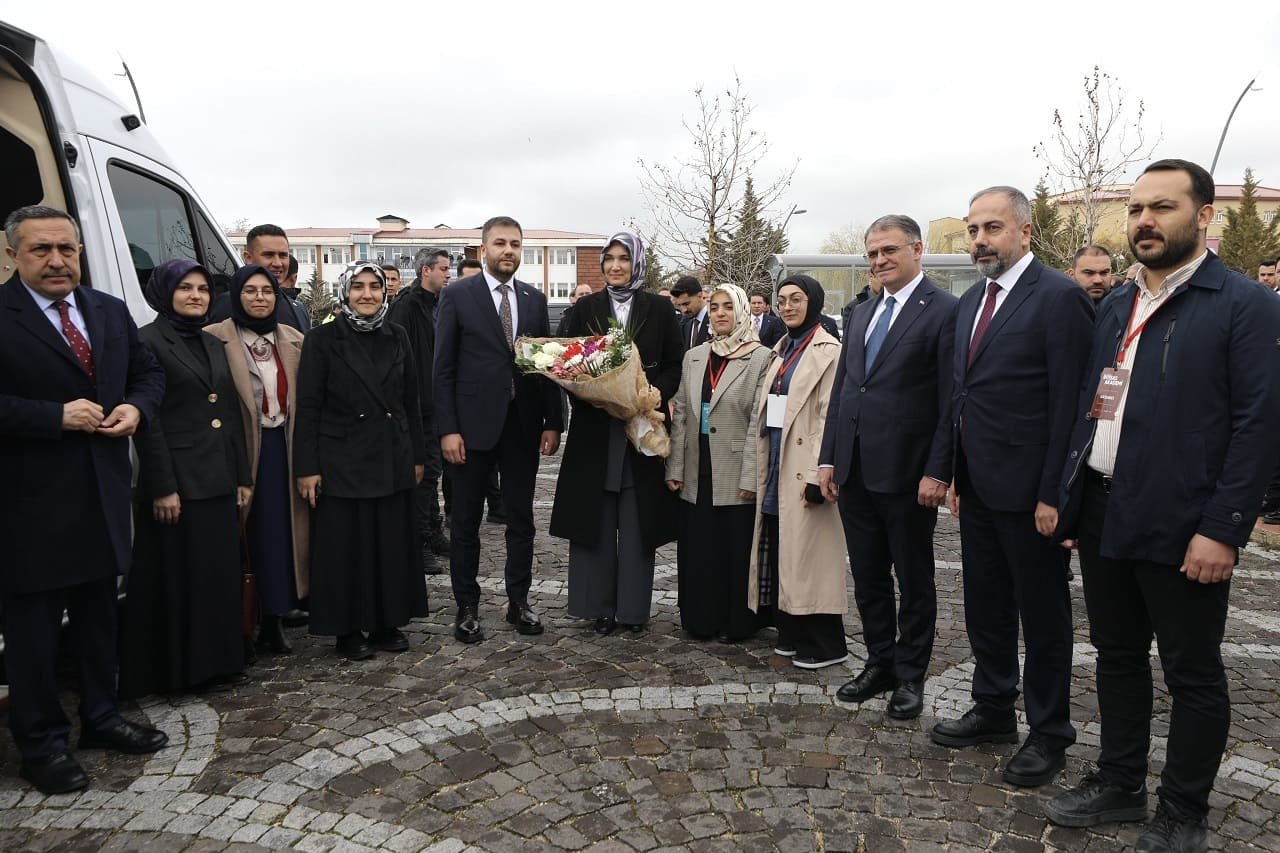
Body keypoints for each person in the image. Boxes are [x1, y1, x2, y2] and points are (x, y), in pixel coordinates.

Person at [1045, 159, 1280, 851]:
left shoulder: (1246, 304)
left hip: (1185, 523)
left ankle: (1183, 811)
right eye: (1137, 209)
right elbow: (1094, 405)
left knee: (1192, 671)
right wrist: (1071, 502)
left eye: (1163, 207)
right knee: (1116, 655)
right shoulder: (1116, 303)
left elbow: (1259, 426)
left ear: (1204, 216)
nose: (1145, 221)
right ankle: (1121, 782)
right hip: (1104, 508)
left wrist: (1223, 528)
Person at [0, 205, 168, 794]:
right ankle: (41, 745)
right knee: (34, 635)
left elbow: (148, 375)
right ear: (12, 255)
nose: (56, 261)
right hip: (29, 508)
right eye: (41, 249)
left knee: (100, 619)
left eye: (66, 249)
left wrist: (136, 409)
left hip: (102, 496)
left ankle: (101, 717)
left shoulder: (107, 310)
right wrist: (53, 417)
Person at [931, 186, 1094, 788]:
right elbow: (959, 394)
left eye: (992, 228)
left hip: (1032, 496)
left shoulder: (1059, 297)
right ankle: (994, 707)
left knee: (1043, 617)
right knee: (986, 606)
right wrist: (952, 471)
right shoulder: (971, 301)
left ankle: (1049, 732)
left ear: (1025, 231)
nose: (979, 240)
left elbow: (1072, 403)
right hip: (977, 487)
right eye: (973, 229)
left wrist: (1057, 494)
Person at [818, 215, 958, 720]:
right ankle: (880, 662)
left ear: (917, 250)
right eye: (873, 253)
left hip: (907, 473)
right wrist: (829, 456)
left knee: (914, 579)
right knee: (869, 575)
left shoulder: (945, 310)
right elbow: (844, 389)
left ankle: (911, 675)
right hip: (855, 469)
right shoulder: (861, 312)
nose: (879, 261)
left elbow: (951, 398)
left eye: (889, 250)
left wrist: (939, 470)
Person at [119, 259, 254, 698]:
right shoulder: (147, 341)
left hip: (217, 478)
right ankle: (180, 672)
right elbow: (149, 420)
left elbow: (228, 411)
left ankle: (219, 662)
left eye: (202, 289)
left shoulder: (212, 342)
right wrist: (163, 486)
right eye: (185, 288)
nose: (195, 296)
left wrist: (241, 475)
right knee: (179, 580)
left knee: (216, 576)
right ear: (165, 292)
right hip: (177, 483)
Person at [434, 216, 564, 643]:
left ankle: (518, 602)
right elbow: (443, 368)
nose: (508, 250)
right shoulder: (457, 295)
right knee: (466, 521)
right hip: (470, 430)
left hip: (522, 426)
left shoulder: (533, 299)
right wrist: (448, 429)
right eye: (500, 243)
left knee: (521, 519)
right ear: (483, 249)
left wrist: (553, 421)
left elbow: (545, 365)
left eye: (515, 244)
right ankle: (467, 607)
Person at [294, 263, 429, 660]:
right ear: (345, 292)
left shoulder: (397, 335)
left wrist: (417, 455)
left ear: (385, 292)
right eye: (358, 287)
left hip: (391, 454)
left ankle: (388, 621)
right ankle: (347, 628)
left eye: (374, 286)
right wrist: (307, 467)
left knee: (389, 543)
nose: (367, 294)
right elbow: (308, 406)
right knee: (346, 548)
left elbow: (411, 402)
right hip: (341, 459)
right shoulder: (321, 339)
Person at [550, 232, 682, 635]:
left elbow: (674, 364)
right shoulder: (585, 308)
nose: (615, 266)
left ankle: (632, 611)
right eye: (609, 258)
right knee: (597, 520)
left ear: (636, 263)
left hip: (642, 430)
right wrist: (592, 397)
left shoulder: (659, 309)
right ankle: (599, 608)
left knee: (637, 520)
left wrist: (652, 394)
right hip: (595, 431)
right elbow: (567, 363)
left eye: (623, 258)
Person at [206, 265, 310, 656]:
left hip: (283, 447)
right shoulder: (215, 338)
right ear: (236, 295)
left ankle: (274, 618)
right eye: (250, 291)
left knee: (279, 534)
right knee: (243, 535)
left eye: (267, 291)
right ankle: (240, 622)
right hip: (240, 449)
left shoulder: (293, 339)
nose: (260, 298)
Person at [748, 275, 849, 669]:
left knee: (810, 558)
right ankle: (789, 632)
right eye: (782, 300)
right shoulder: (781, 349)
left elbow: (828, 415)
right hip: (777, 460)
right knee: (783, 551)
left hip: (806, 465)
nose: (787, 306)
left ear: (814, 303)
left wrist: (817, 471)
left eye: (796, 299)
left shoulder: (829, 350)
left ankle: (825, 644)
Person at [666, 283, 773, 641]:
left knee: (733, 551)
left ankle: (735, 622)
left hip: (735, 470)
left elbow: (759, 421)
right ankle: (701, 619)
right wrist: (675, 468)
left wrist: (751, 477)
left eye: (728, 306)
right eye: (714, 307)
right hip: (697, 469)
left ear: (742, 311)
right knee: (700, 549)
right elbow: (682, 414)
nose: (720, 313)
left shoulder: (761, 358)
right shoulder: (695, 356)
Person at [387, 247, 452, 573]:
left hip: (435, 403)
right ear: (426, 271)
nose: (449, 274)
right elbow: (398, 356)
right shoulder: (407, 306)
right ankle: (419, 541)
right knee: (422, 474)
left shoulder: (437, 304)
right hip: (416, 405)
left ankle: (433, 532)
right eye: (444, 269)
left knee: (432, 473)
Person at [208, 225, 308, 330]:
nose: (278, 263)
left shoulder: (299, 311)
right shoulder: (225, 305)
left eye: (283, 255)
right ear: (248, 258)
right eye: (268, 255)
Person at [671, 275, 709, 349]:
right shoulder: (686, 325)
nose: (683, 310)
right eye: (679, 305)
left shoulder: (716, 321)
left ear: (700, 296)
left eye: (686, 304)